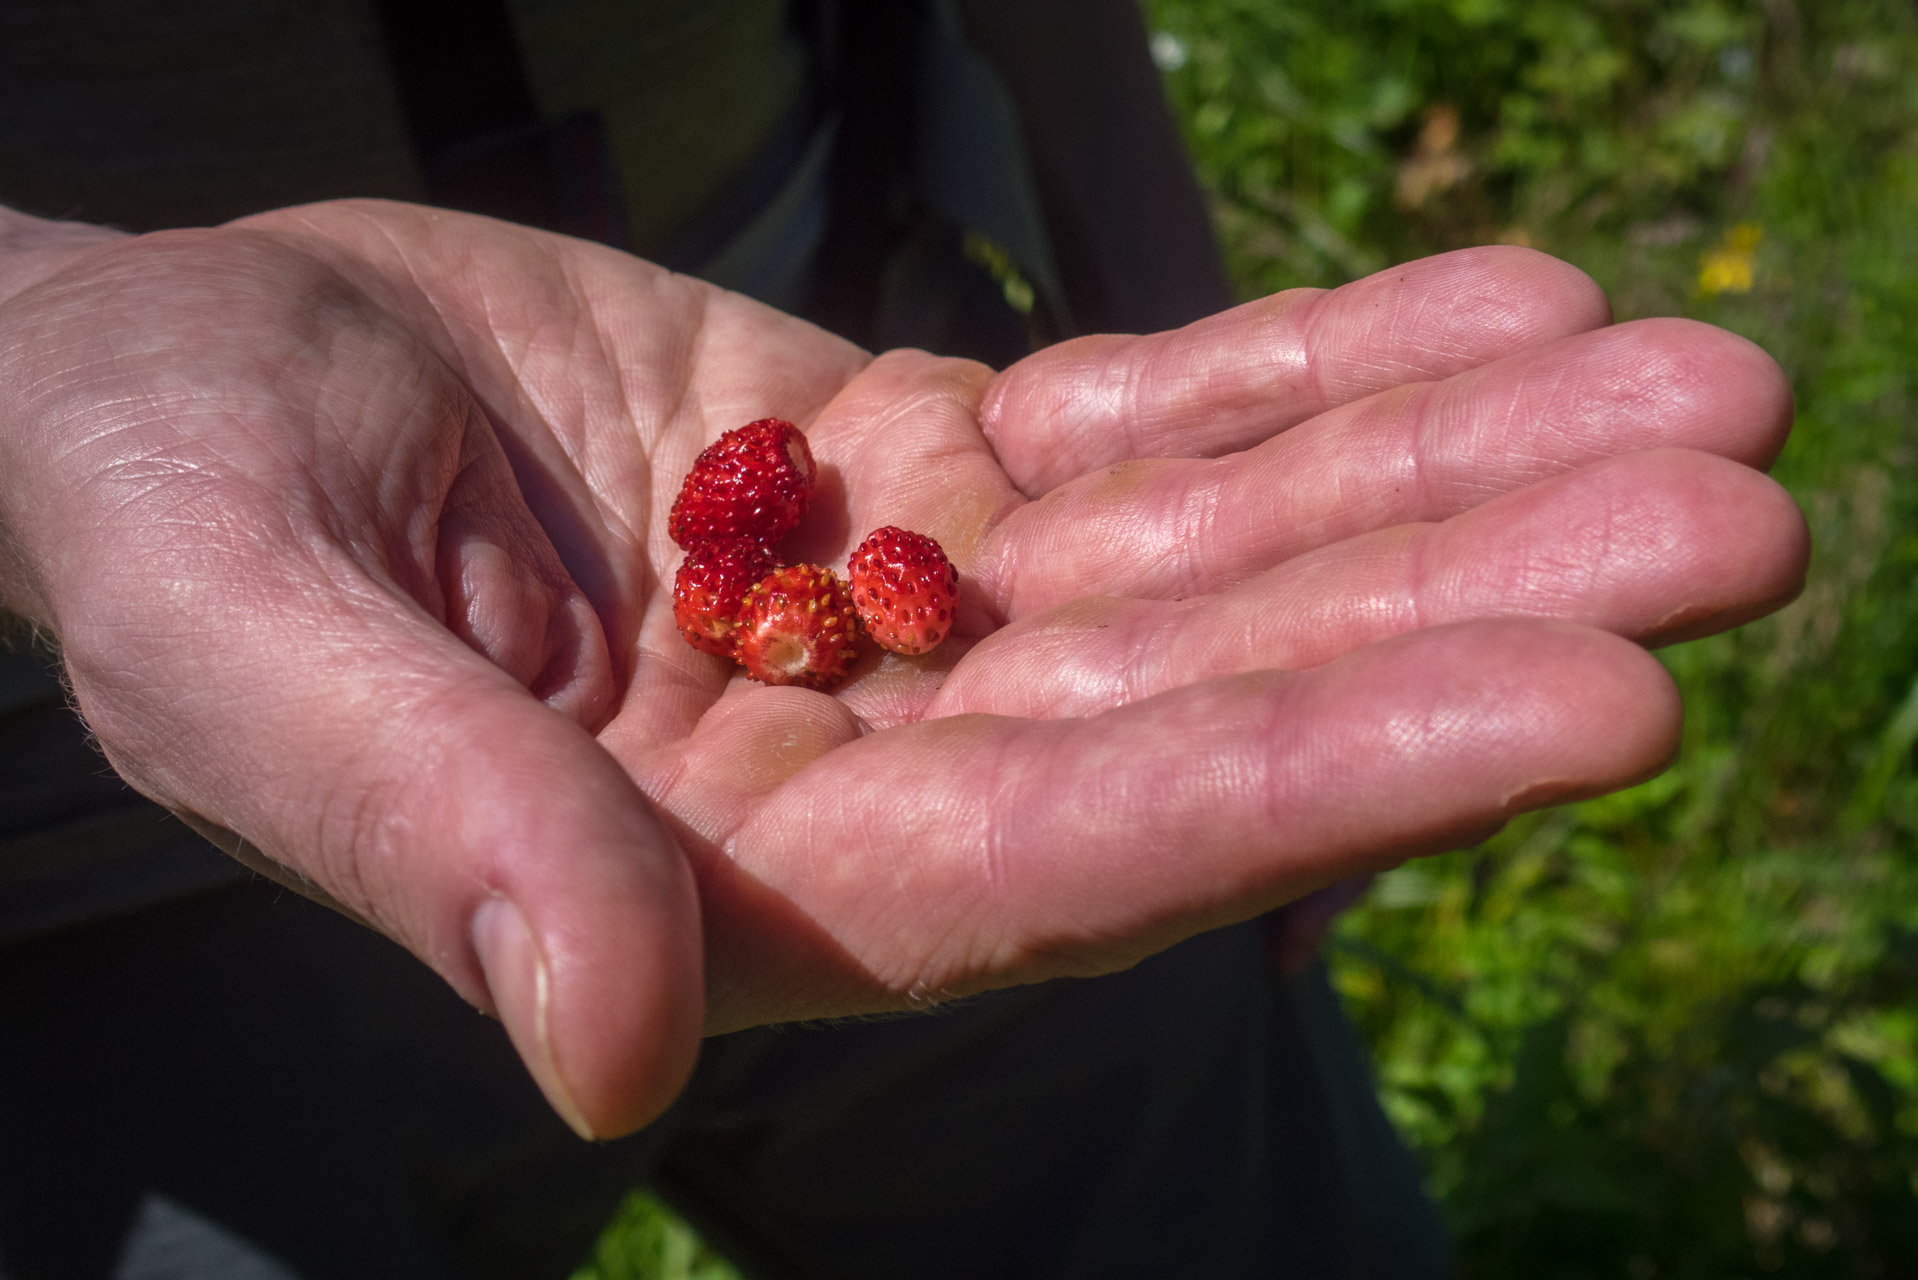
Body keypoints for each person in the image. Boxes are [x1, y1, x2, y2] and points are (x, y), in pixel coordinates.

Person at [0, 2, 1809, 1276]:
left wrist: (1143, 269)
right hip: (75, 891)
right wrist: (35, 322)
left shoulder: (826, 539)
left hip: (859, 288)